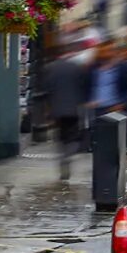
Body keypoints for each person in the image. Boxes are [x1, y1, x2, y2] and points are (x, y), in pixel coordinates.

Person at [43, 34, 94, 183]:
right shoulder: (76, 67)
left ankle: (63, 158)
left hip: (57, 109)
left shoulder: (50, 68)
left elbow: (47, 89)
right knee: (73, 137)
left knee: (61, 137)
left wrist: (48, 108)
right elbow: (84, 86)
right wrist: (84, 102)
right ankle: (68, 156)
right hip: (74, 109)